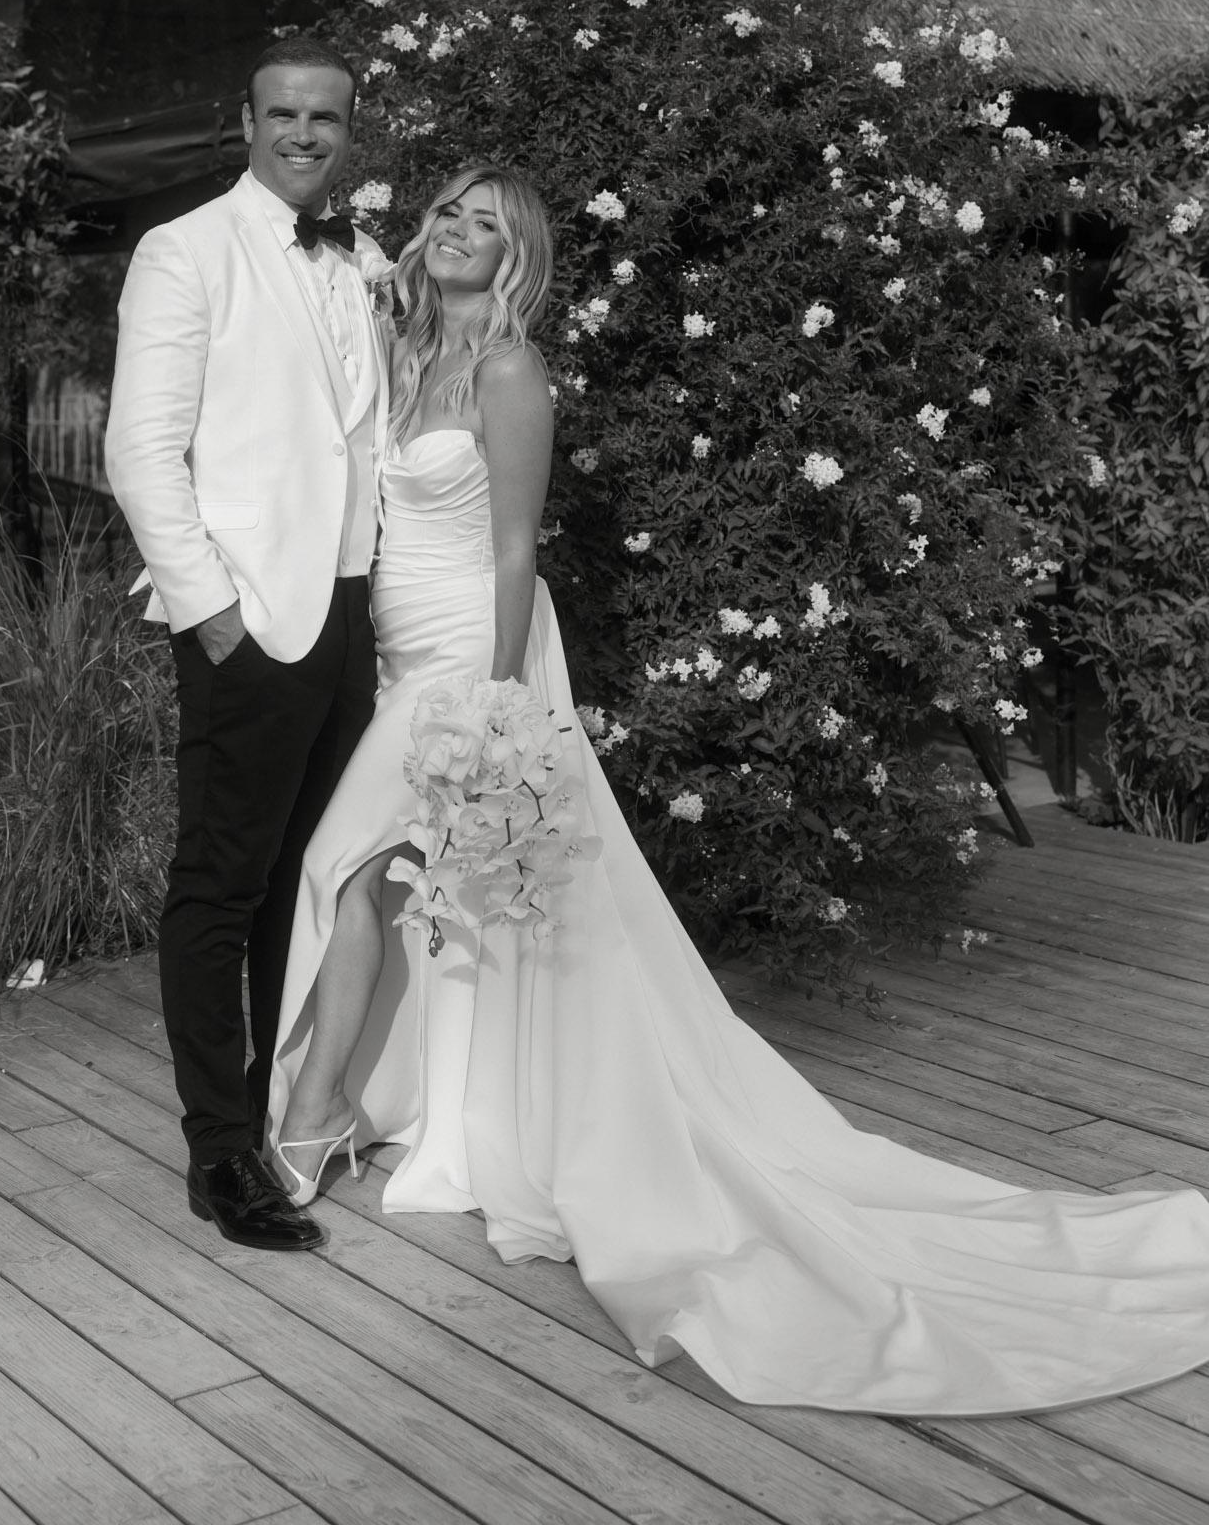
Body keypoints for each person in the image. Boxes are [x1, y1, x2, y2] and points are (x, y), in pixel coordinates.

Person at [266, 166, 1209, 1412]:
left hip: (464, 665)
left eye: (485, 225)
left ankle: (315, 1115)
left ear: (518, 258)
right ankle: (403, 1106)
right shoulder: (401, 354)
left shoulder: (507, 373)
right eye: (448, 211)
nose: (455, 232)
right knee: (416, 887)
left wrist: (499, 697)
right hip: (396, 655)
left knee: (358, 870)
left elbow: (512, 543)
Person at [105, 35, 390, 1250]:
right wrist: (214, 611)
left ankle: (279, 1116)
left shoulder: (366, 259)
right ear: (245, 119)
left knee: (304, 883)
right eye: (283, 112)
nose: (303, 134)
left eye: (325, 117)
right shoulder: (184, 252)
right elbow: (137, 450)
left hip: (347, 617)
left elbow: (357, 440)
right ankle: (220, 1151)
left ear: (348, 130)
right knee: (219, 888)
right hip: (245, 622)